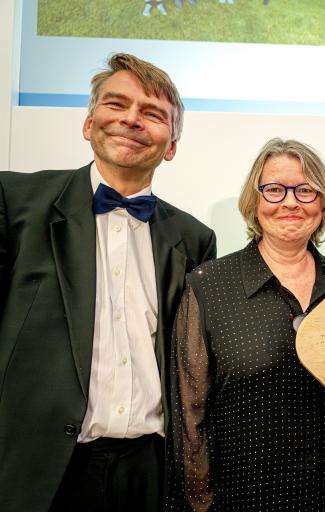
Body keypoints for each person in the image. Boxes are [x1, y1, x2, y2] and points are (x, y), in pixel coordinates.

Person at [0, 53, 216, 512]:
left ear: (171, 144)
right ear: (88, 122)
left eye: (153, 114)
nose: (132, 120)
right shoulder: (15, 203)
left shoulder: (196, 240)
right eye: (117, 104)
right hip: (39, 470)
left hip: (149, 470)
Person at [167, 138, 325, 511]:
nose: (290, 202)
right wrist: (201, 503)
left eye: (305, 190)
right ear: (255, 201)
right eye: (274, 190)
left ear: (323, 203)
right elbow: (189, 414)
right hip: (243, 497)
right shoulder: (208, 285)